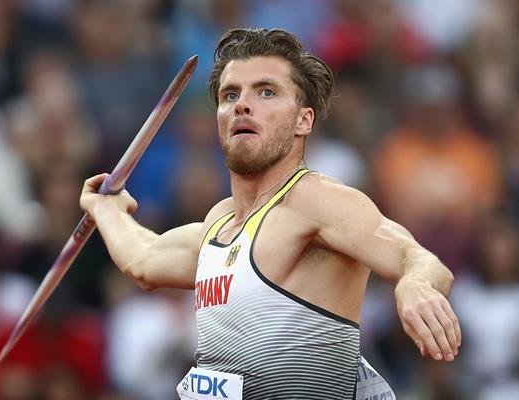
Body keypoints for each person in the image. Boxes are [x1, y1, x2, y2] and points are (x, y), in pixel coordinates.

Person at [80, 28, 461, 400]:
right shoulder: (220, 223)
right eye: (231, 95)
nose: (242, 104)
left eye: (266, 92)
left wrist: (415, 284)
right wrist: (105, 209)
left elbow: (418, 259)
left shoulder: (315, 200)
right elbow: (144, 260)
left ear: (303, 120)